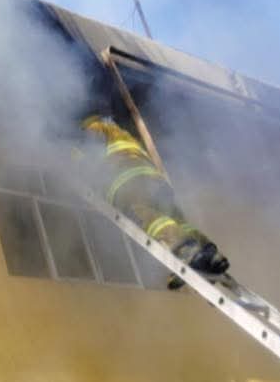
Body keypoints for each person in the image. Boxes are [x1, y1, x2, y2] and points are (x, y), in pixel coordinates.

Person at [81, 114, 229, 288]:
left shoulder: (97, 128)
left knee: (151, 219)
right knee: (178, 220)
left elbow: (88, 158)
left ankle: (185, 250)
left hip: (130, 184)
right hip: (155, 181)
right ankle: (209, 255)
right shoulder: (123, 134)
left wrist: (76, 158)